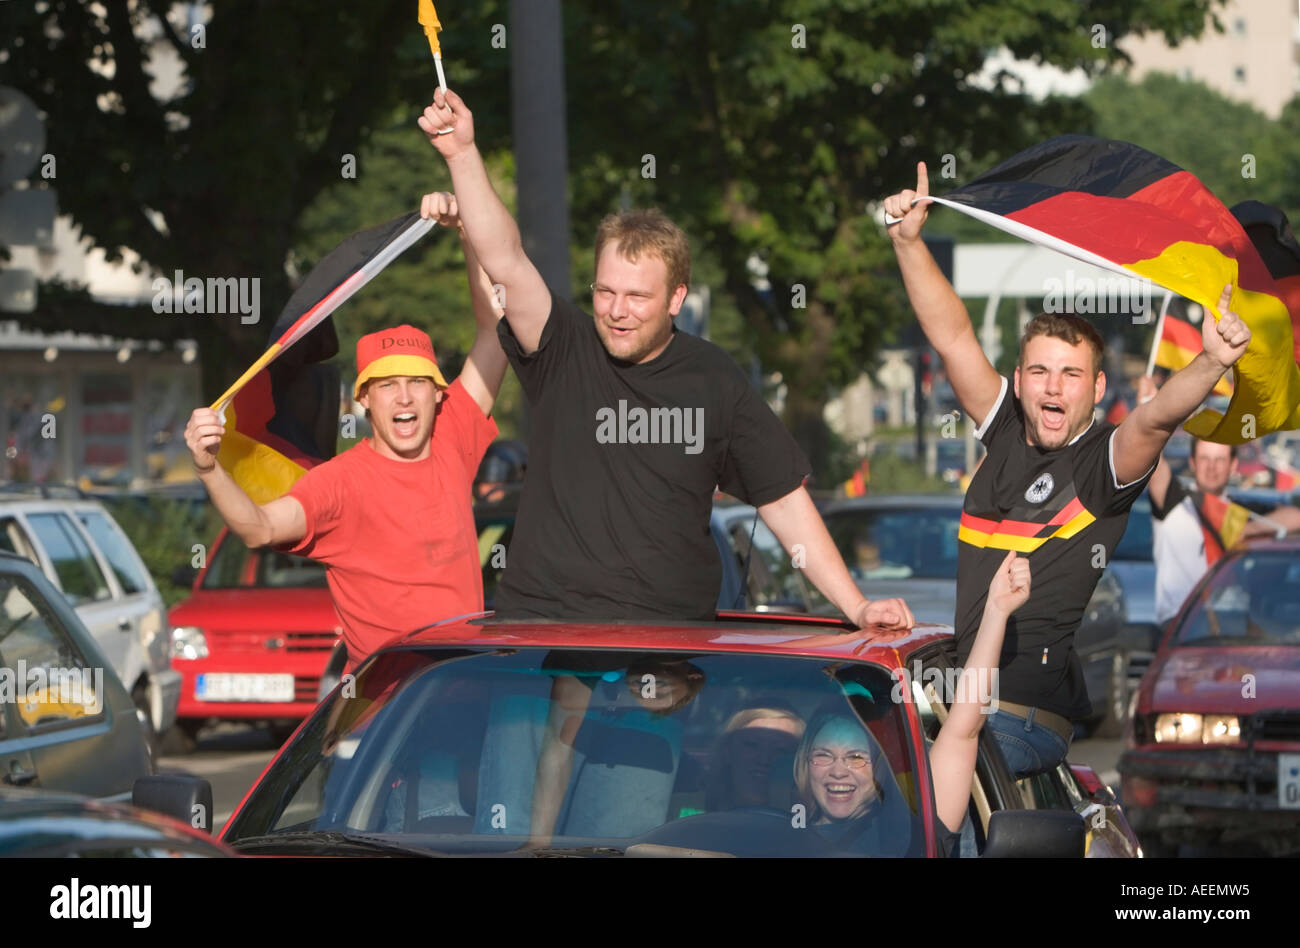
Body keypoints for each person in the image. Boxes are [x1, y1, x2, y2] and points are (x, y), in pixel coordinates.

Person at [419, 89, 914, 636]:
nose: (617, 311)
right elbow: (505, 260)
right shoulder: (563, 345)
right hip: (539, 633)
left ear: (677, 299)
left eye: (637, 297)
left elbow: (783, 500)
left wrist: (857, 606)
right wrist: (461, 154)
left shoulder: (713, 379)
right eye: (605, 292)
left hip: (664, 651)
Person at [884, 163, 1252, 777]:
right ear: (1020, 380)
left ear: (1097, 386)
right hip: (961, 701)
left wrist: (1211, 363)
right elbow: (952, 337)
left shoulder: (1102, 463)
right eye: (1039, 372)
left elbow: (1155, 419)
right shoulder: (1003, 427)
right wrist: (908, 243)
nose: (1053, 388)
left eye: (1071, 374)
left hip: (1019, 716)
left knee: (938, 792)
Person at [184, 193, 507, 673]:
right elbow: (258, 528)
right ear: (363, 400)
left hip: (462, 690)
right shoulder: (339, 483)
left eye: (417, 383)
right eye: (387, 385)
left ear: (438, 395)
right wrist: (207, 466)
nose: (403, 398)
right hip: (388, 710)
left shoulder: (453, 434)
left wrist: (467, 231)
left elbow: (493, 330)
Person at [795, 550, 1032, 855]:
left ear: (881, 768)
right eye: (823, 756)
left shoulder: (910, 832)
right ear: (803, 763)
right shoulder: (767, 830)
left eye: (856, 757)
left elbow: (963, 731)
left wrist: (997, 611)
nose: (838, 771)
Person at [1139, 374, 1300, 626]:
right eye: (1205, 459)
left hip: (1229, 626)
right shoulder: (1173, 500)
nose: (1211, 468)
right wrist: (1147, 406)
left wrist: (1249, 529)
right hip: (1179, 627)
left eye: (1219, 460)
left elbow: (1295, 517)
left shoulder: (1240, 510)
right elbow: (1149, 456)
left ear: (1233, 465)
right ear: (1192, 463)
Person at [704, 702, 806, 812]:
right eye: (752, 745)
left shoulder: (807, 822)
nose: (764, 759)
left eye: (780, 750)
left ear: (798, 761)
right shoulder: (688, 810)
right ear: (727, 751)